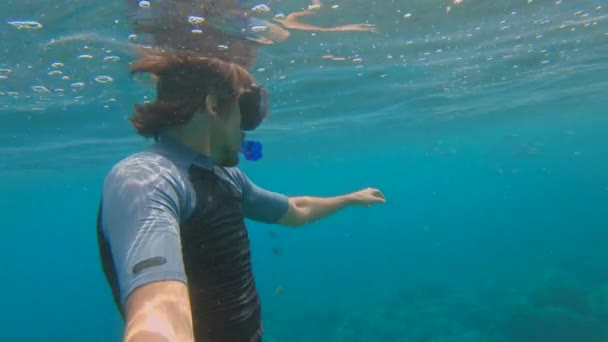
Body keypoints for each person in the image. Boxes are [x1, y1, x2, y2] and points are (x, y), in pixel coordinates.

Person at [96, 51, 386, 342]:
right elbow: (159, 315)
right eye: (246, 109)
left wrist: (350, 198)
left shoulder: (224, 176)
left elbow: (294, 210)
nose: (247, 127)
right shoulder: (148, 179)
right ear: (212, 105)